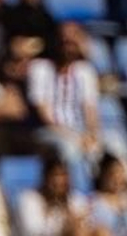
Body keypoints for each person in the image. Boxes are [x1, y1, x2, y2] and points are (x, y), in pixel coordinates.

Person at [16, 154, 119, 236]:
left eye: (63, 176)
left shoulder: (76, 200)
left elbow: (89, 228)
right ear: (45, 177)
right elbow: (33, 231)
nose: (59, 181)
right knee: (77, 230)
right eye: (55, 176)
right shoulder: (30, 199)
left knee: (101, 230)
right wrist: (63, 224)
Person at [26, 22, 101, 173]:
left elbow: (91, 110)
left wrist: (92, 134)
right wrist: (76, 137)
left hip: (79, 130)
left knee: (106, 147)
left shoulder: (86, 71)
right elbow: (44, 115)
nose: (68, 46)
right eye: (64, 41)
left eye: (72, 42)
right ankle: (76, 191)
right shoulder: (39, 68)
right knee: (70, 149)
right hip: (49, 131)